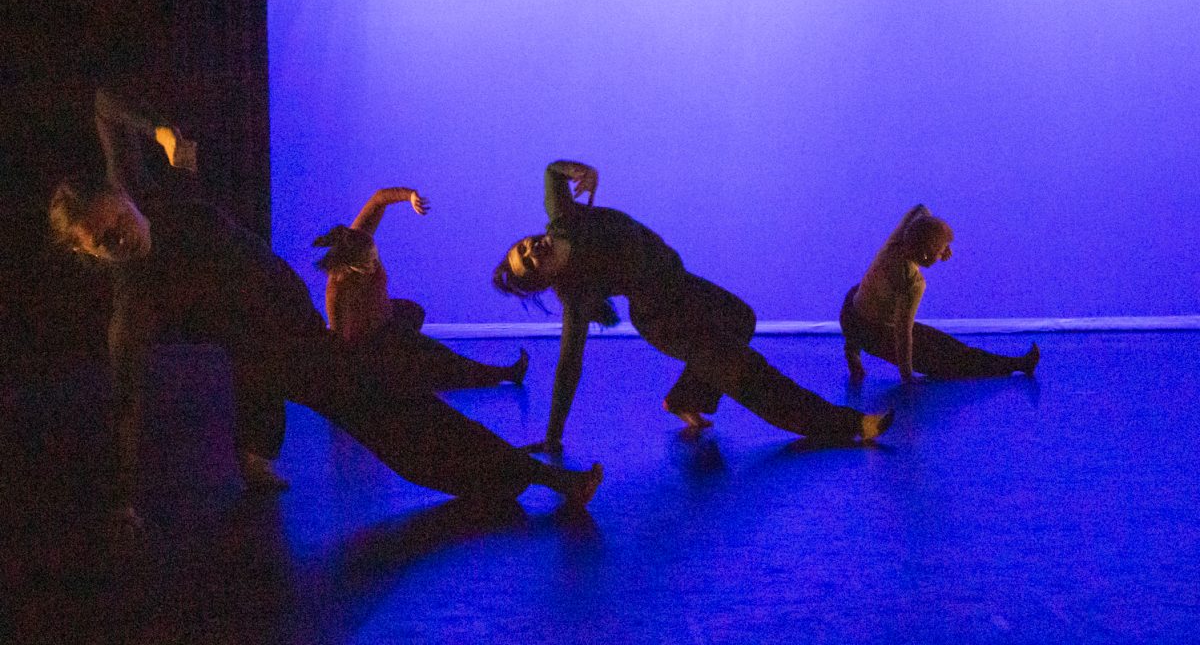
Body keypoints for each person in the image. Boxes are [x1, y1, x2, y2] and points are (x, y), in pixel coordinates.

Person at [49, 90, 602, 534]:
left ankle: (255, 453)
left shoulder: (149, 192)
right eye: (103, 241)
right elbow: (127, 401)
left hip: (282, 330)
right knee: (401, 424)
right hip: (297, 356)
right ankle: (540, 477)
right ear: (87, 252)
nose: (120, 238)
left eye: (117, 221)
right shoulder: (135, 303)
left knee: (369, 401)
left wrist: (160, 131)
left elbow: (102, 104)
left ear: (124, 199)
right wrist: (123, 502)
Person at [493, 159, 892, 454]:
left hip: (683, 285)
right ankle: (850, 424)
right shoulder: (577, 295)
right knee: (749, 375)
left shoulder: (561, 219)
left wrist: (581, 170)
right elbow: (568, 366)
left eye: (522, 247)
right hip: (665, 319)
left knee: (741, 317)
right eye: (528, 263)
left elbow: (552, 172)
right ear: (543, 281)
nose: (530, 250)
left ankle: (685, 398)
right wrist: (554, 434)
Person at [315, 186, 528, 390]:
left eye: (375, 256)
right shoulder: (338, 288)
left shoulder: (357, 237)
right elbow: (337, 341)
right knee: (438, 356)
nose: (375, 263)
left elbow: (379, 198)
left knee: (413, 312)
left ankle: (408, 367)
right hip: (371, 342)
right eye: (369, 262)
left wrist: (410, 196)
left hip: (385, 319)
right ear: (353, 267)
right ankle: (504, 374)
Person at [840, 204, 1039, 384]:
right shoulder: (912, 282)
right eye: (942, 249)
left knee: (945, 344)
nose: (945, 253)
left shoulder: (894, 245)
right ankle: (1018, 365)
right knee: (954, 359)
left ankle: (853, 348)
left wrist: (930, 232)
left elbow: (920, 209)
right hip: (873, 333)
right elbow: (902, 332)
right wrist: (907, 376)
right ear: (927, 254)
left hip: (850, 313)